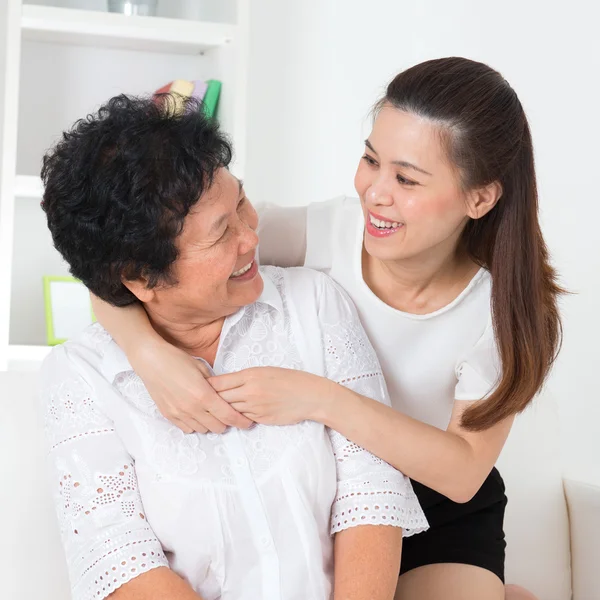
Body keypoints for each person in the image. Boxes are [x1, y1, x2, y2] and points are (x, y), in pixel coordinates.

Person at [92, 57, 562, 600]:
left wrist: (320, 398)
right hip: (325, 492)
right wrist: (147, 353)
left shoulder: (505, 309)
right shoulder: (327, 231)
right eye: (370, 159)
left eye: (406, 178)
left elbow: (462, 474)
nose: (375, 192)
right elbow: (133, 264)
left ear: (479, 197)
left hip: (440, 505)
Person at [39, 95, 428, 600]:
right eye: (222, 234)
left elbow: (371, 489)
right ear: (140, 279)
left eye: (241, 202)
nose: (251, 237)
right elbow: (119, 561)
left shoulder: (312, 304)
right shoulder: (82, 378)